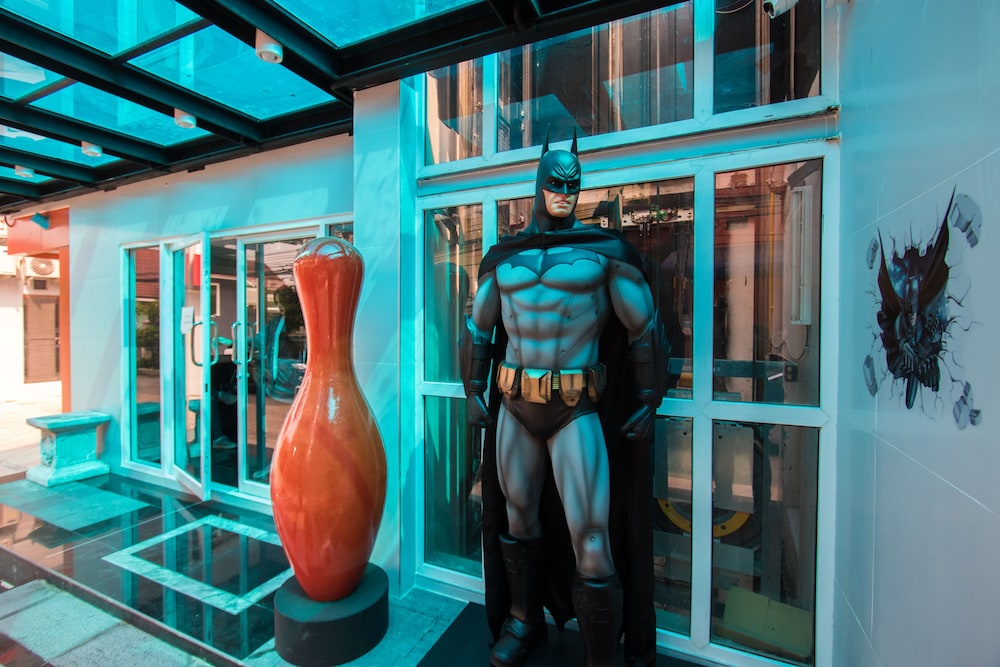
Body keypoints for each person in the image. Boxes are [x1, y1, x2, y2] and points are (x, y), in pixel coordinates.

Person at [461, 135, 669, 666]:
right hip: (514, 406)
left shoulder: (604, 254)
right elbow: (478, 327)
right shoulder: (504, 258)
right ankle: (523, 620)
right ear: (538, 185)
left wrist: (649, 399)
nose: (565, 194)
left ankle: (602, 658)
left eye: (573, 186)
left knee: (592, 536)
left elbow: (644, 327)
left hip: (575, 410)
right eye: (555, 184)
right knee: (517, 519)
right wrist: (472, 391)